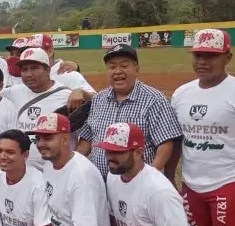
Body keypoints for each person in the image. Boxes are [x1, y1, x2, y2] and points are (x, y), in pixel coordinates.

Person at [170, 28, 235, 226]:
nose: (202, 61)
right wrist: (169, 176)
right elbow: (175, 141)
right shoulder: (182, 93)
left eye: (210, 55)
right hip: (192, 185)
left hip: (228, 182)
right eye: (198, 55)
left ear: (227, 56)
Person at [77, 44, 182, 178]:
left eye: (124, 66)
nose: (118, 71)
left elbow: (165, 144)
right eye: (112, 66)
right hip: (101, 184)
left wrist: (149, 177)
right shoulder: (98, 99)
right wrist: (74, 166)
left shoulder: (154, 99)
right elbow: (86, 140)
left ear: (137, 69)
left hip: (136, 183)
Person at [1, 48, 88, 171]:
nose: (28, 74)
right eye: (24, 69)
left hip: (58, 171)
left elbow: (88, 132)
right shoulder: (15, 91)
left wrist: (72, 164)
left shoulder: (66, 96)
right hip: (26, 173)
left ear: (47, 70)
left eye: (34, 68)